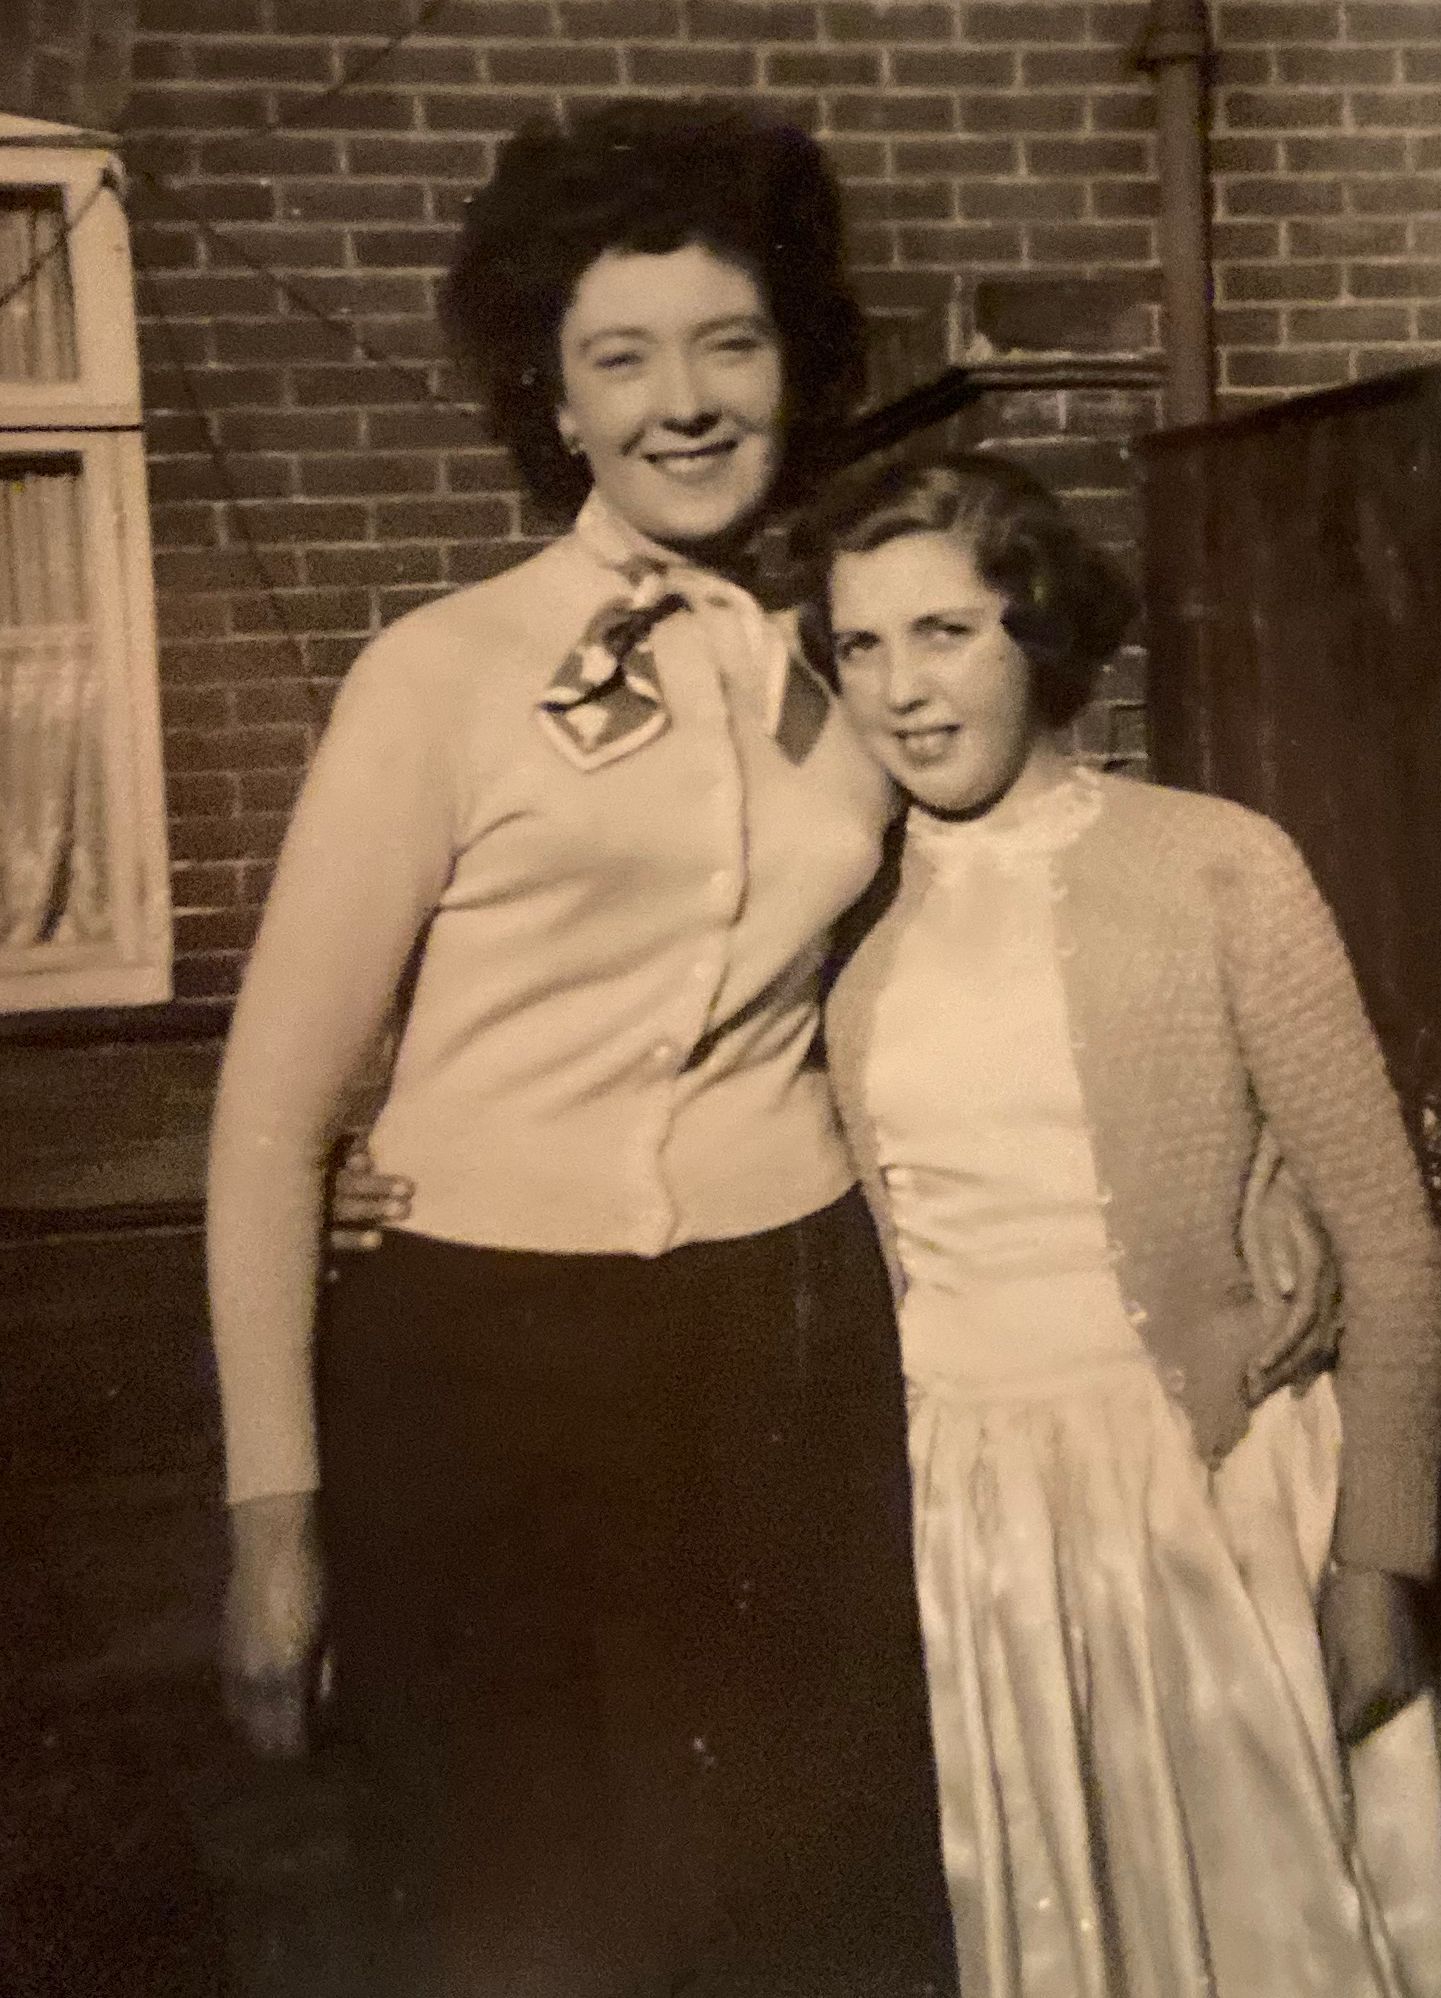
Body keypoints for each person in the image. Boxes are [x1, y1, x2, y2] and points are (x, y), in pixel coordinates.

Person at [206, 101, 957, 1996]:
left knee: (803, 1914)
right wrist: (274, 1517)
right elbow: (271, 1119)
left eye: (729, 345)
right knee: (519, 1922)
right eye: (621, 358)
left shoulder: (858, 668)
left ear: (797, 370)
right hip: (478, 1362)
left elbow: (1024, 930)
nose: (681, 403)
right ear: (553, 403)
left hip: (785, 1344)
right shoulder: (438, 674)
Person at [798, 452, 1441, 1998]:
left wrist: (1377, 1558)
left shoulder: (1215, 862)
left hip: (1207, 1507)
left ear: (1036, 633)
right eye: (859, 645)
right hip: (982, 1526)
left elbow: (1387, 1236)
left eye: (944, 632)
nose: (901, 689)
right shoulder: (847, 932)